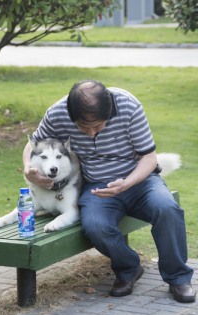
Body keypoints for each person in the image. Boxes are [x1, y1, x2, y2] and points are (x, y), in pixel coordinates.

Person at [23, 79, 196, 303]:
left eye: (99, 125)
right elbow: (32, 143)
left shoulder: (128, 106)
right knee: (96, 226)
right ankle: (129, 269)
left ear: (110, 110)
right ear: (71, 115)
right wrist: (28, 168)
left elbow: (149, 158)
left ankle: (178, 278)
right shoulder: (57, 113)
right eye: (84, 128)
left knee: (167, 209)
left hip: (140, 180)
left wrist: (126, 183)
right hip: (97, 187)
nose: (93, 133)